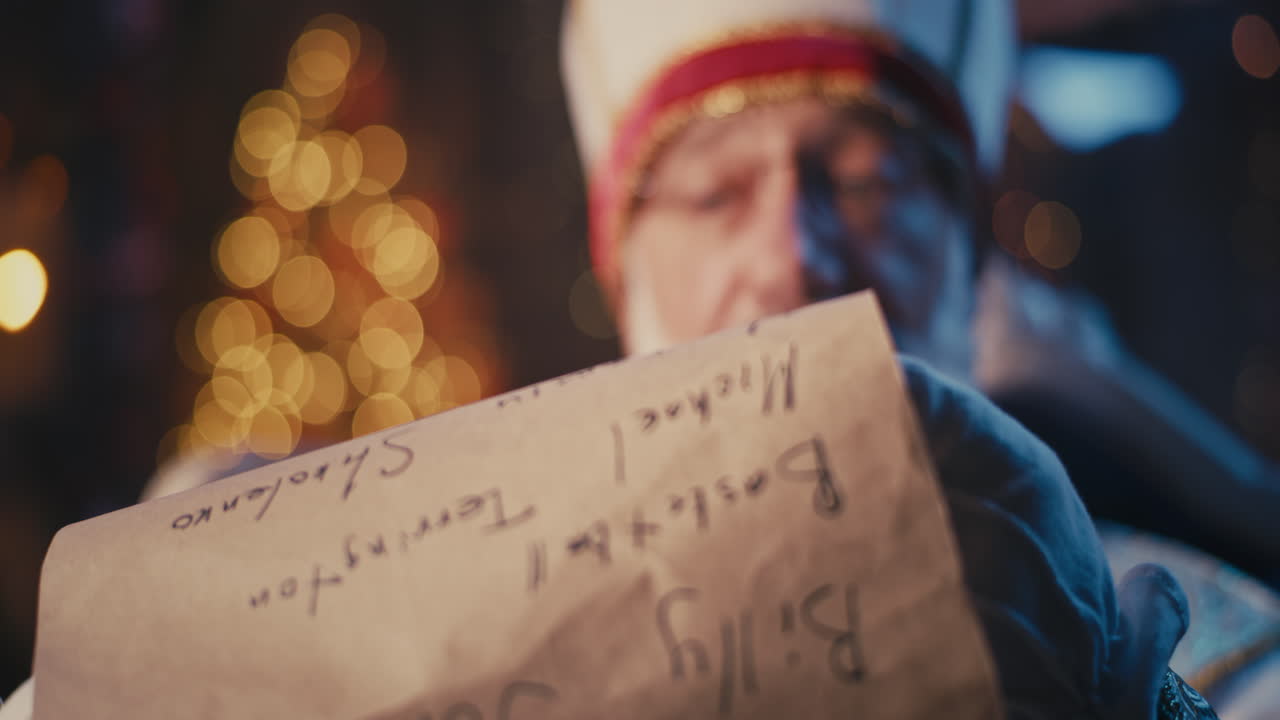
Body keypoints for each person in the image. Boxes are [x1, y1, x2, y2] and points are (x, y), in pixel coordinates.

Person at [559, 0, 1246, 715]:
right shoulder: (533, 660)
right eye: (714, 196)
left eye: (867, 181)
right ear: (628, 276)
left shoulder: (1193, 651)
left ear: (967, 255)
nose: (792, 255)